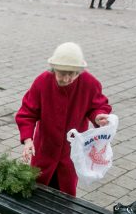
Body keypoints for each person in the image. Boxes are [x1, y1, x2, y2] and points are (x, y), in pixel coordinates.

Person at [15, 42, 111, 196]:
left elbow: (98, 106)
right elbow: (27, 112)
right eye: (62, 73)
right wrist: (28, 140)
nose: (67, 79)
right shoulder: (42, 82)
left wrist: (98, 117)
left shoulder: (89, 83)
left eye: (72, 74)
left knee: (64, 190)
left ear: (79, 71)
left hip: (71, 150)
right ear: (53, 69)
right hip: (45, 147)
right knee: (38, 187)